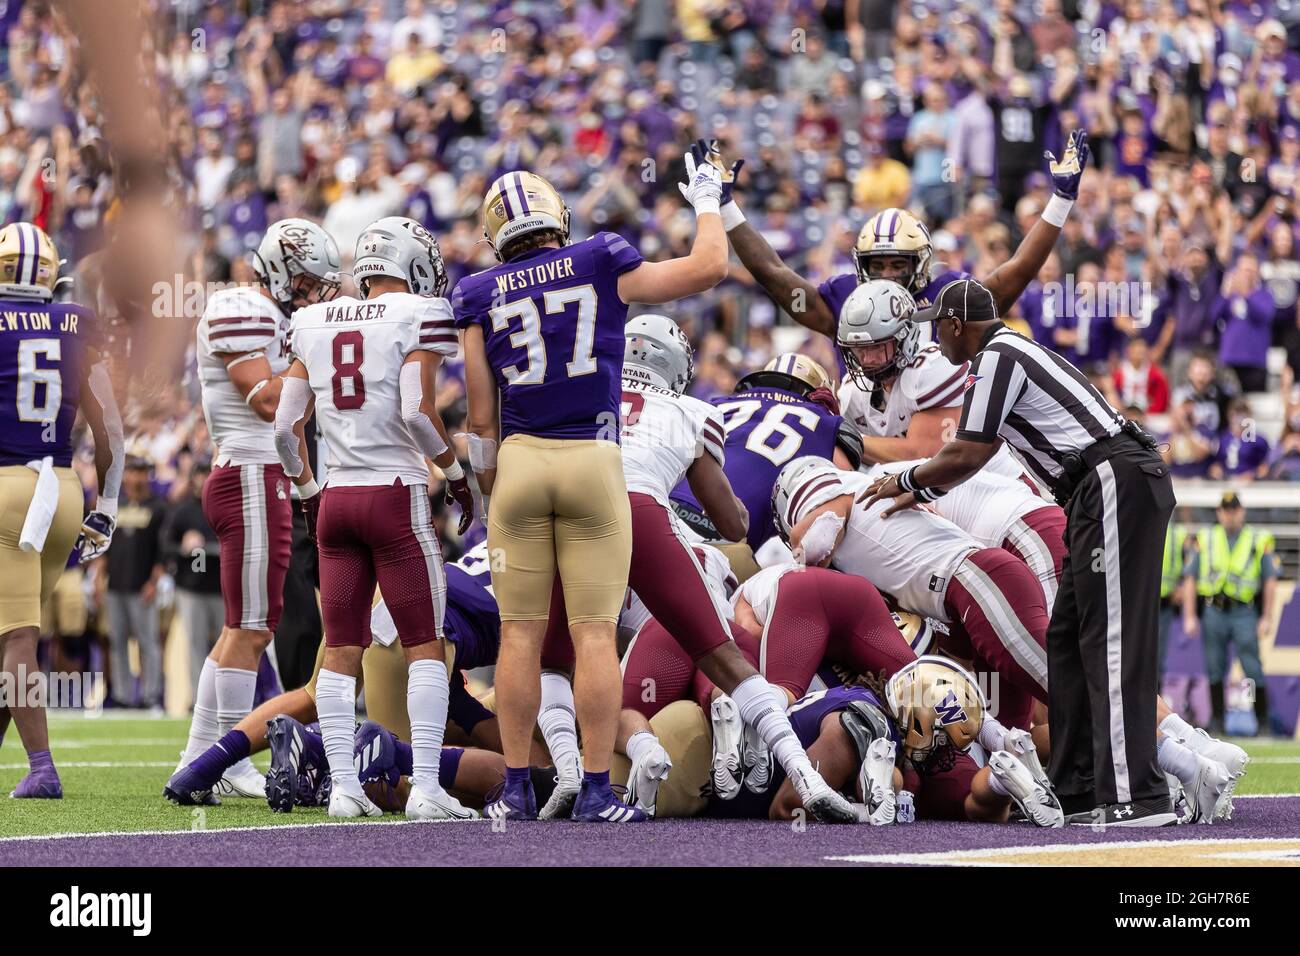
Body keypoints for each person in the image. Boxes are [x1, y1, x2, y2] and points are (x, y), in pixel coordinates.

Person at [454, 145, 731, 822]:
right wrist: (706, 198)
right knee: (595, 635)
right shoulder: (600, 258)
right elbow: (709, 268)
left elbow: (480, 418)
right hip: (592, 459)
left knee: (519, 635)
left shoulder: (477, 292)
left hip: (519, 462)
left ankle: (519, 786)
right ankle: (599, 790)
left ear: (497, 239)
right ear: (558, 217)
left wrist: (487, 490)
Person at [865, 277, 1175, 827]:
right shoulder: (1009, 352)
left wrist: (907, 479)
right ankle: (1079, 789)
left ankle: (1139, 795)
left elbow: (969, 450)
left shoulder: (998, 355)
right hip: (1095, 487)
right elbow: (970, 454)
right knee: (1067, 639)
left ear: (958, 325)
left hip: (1110, 479)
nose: (937, 342)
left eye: (940, 328)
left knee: (1107, 640)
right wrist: (921, 485)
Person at [268, 216, 476, 821]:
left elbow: (285, 427)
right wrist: (456, 477)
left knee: (341, 649)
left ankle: (342, 788)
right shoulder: (421, 313)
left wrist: (308, 491)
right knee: (423, 646)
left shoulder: (310, 321)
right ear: (412, 263)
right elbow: (415, 411)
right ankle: (429, 790)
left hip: (336, 500)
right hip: (395, 493)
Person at [716, 131, 1091, 461]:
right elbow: (774, 275)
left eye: (899, 264)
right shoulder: (848, 297)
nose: (889, 275)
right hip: (868, 432)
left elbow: (1017, 272)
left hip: (940, 442)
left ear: (923, 263)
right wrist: (726, 209)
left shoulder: (949, 295)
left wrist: (1060, 200)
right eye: (878, 266)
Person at [174, 217, 341, 801]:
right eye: (310, 282)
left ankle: (199, 756)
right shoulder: (242, 306)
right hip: (248, 472)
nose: (317, 293)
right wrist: (322, 364)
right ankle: (227, 757)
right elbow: (269, 399)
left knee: (240, 628)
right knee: (253, 628)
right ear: (286, 274)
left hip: (255, 474)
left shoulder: (269, 313)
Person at [0, 221, 123, 799]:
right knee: (10, 634)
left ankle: (43, 766)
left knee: (16, 636)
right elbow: (111, 433)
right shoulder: (76, 324)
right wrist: (109, 505)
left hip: (7, 491)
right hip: (64, 492)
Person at [1184, 492, 1278, 736]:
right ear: (1219, 512)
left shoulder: (1256, 539)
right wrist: (1189, 615)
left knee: (1252, 669)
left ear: (1242, 511)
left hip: (1244, 611)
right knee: (1214, 668)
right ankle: (1217, 720)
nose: (1230, 514)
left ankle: (1262, 721)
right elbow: (1191, 578)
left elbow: (1269, 580)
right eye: (1226, 510)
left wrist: (1266, 616)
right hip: (1213, 609)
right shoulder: (1206, 538)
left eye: (1234, 509)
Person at [103, 458, 166, 711]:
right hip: (115, 586)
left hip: (142, 586)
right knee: (117, 642)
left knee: (148, 642)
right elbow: (104, 544)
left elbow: (163, 550)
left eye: (141, 473)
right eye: (133, 472)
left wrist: (154, 581)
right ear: (125, 476)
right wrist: (98, 577)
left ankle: (151, 695)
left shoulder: (159, 507)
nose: (137, 478)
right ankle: (122, 695)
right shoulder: (115, 505)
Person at [161, 460, 224, 697]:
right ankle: (200, 699)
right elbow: (166, 545)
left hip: (221, 588)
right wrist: (183, 547)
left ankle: (223, 698)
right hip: (191, 588)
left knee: (225, 648)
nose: (203, 480)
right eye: (199, 475)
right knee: (196, 646)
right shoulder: (184, 511)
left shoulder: (226, 507)